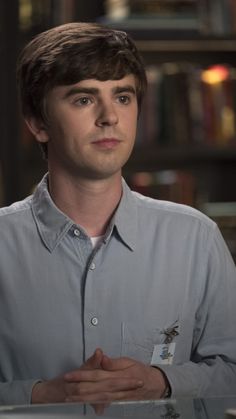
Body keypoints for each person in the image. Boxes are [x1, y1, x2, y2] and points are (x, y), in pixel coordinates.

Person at [0, 21, 235, 406]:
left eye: (123, 97)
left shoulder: (195, 238)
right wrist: (40, 394)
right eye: (84, 99)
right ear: (38, 123)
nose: (110, 116)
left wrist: (162, 381)